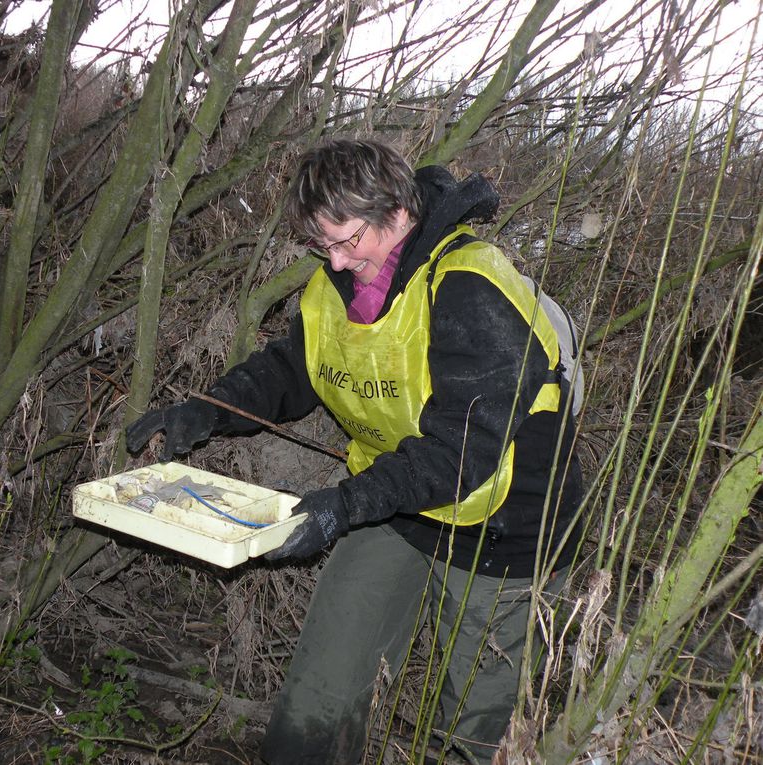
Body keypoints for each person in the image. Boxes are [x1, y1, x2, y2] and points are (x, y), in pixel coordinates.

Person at [125, 138, 583, 765]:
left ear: (399, 210)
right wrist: (206, 413)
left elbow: (459, 451)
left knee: (476, 733)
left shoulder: (473, 290)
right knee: (315, 703)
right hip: (397, 508)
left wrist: (342, 507)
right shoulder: (334, 288)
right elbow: (293, 368)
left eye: (348, 242)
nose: (336, 264)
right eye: (321, 246)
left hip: (506, 529)